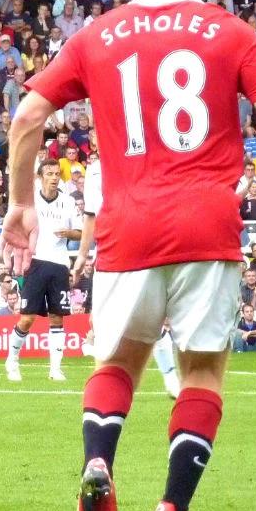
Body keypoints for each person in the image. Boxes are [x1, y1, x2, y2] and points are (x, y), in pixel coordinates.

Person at [0, 0, 256, 511]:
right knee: (201, 375)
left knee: (117, 365)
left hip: (127, 226)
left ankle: (99, 461)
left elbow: (25, 119)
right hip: (209, 224)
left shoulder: (97, 34)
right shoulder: (231, 31)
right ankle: (172, 505)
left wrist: (21, 205)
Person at [73, 154, 181, 398]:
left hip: (144, 246)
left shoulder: (145, 159)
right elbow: (91, 215)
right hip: (111, 251)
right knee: (105, 319)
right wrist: (82, 253)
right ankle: (105, 379)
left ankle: (170, 375)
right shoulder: (96, 170)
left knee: (154, 315)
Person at [4, 161, 81, 382]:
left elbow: (80, 232)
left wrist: (69, 232)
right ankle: (12, 360)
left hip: (59, 264)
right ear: (40, 177)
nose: (54, 177)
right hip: (35, 262)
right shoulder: (30, 202)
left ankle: (55, 369)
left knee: (57, 317)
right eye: (49, 173)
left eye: (57, 174)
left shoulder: (68, 201)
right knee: (27, 318)